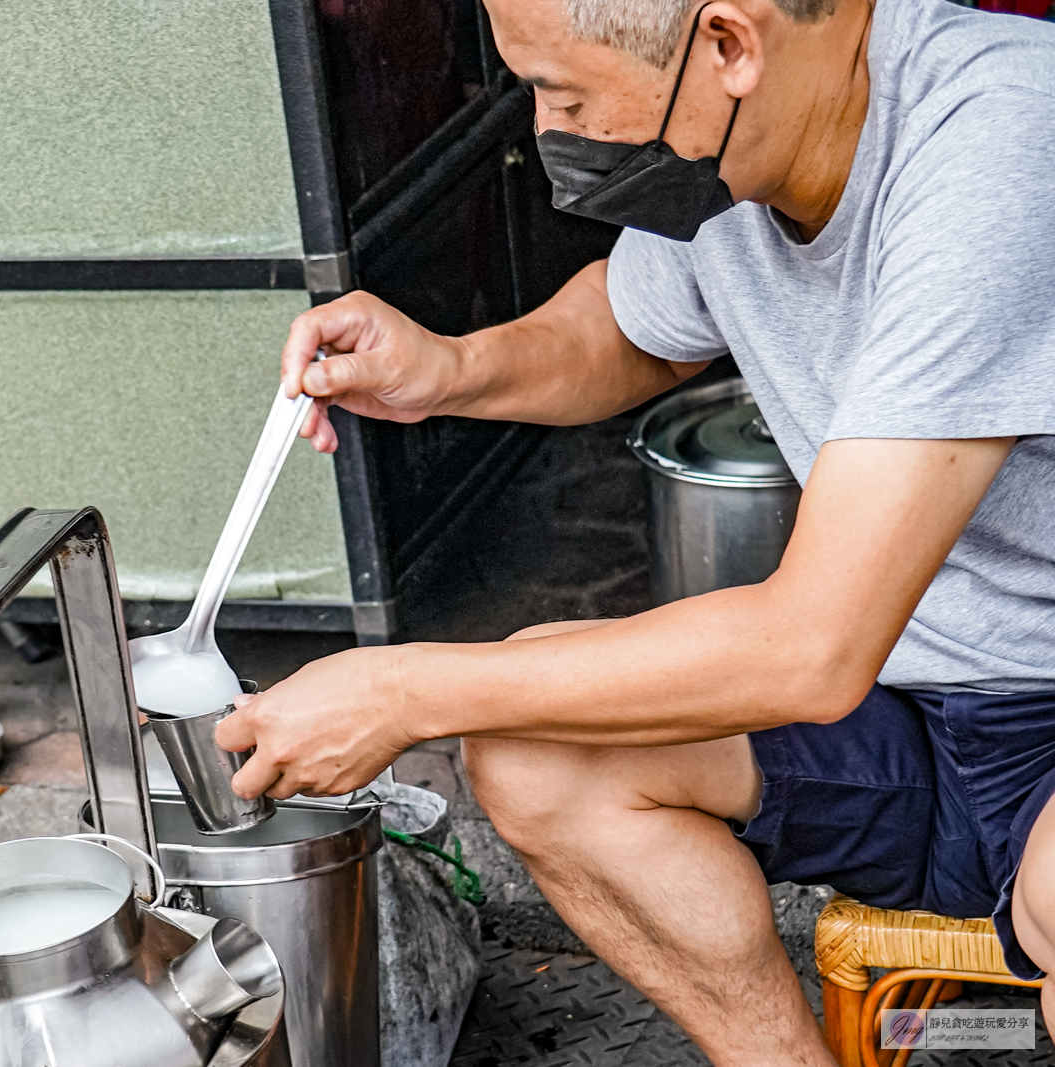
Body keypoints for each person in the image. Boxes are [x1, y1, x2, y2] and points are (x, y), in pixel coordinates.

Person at [215, 1, 1055, 1063]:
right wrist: (448, 370)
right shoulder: (740, 153)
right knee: (536, 750)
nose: (545, 125)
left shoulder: (1006, 141)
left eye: (565, 94)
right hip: (910, 697)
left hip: (994, 696)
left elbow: (809, 646)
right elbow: (630, 328)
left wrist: (399, 690)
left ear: (726, 46)